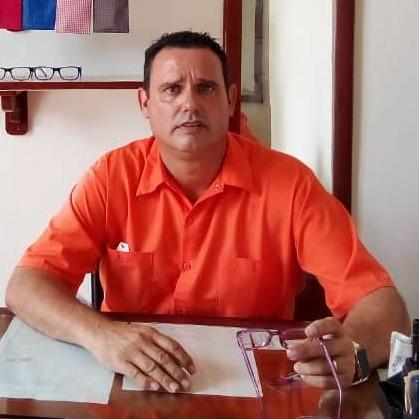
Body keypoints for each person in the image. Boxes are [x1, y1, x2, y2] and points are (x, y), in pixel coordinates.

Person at [6, 31, 409, 394]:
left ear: (230, 99)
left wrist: (355, 351)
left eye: (206, 88)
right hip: (131, 382)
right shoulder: (112, 177)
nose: (190, 103)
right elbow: (27, 285)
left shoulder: (291, 185)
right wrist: (100, 335)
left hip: (256, 387)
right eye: (172, 89)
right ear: (145, 103)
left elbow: (384, 306)